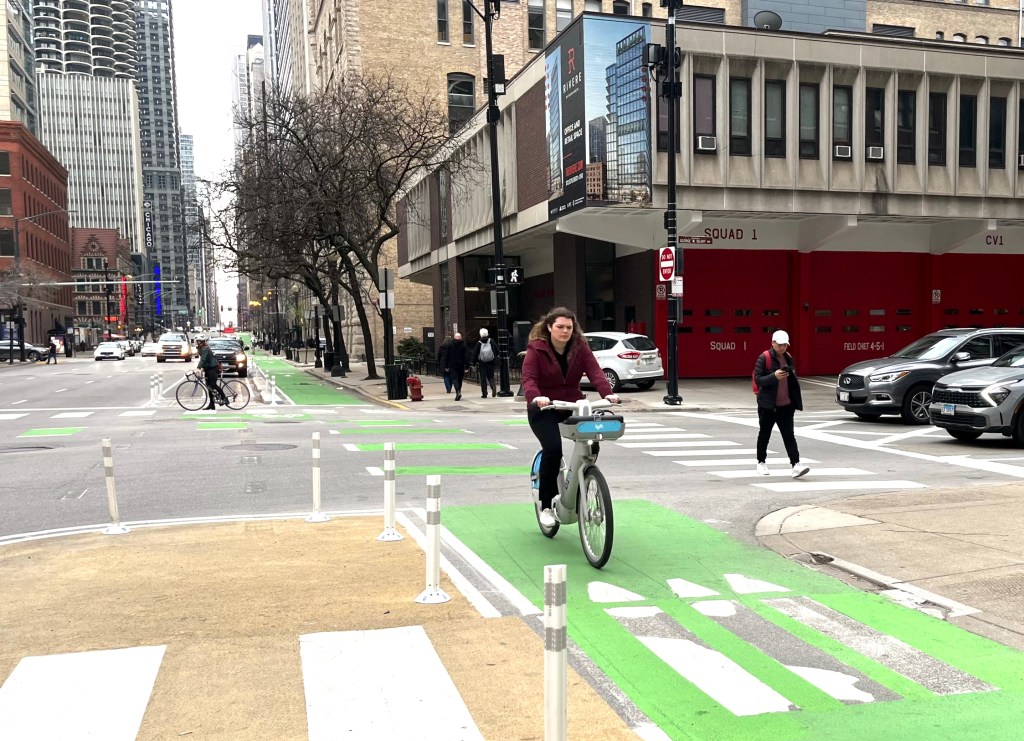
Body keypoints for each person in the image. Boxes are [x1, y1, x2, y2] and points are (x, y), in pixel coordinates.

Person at [522, 307, 619, 528]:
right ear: (549, 327)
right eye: (560, 327)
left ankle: (582, 480)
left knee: (593, 441)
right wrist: (536, 397)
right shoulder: (536, 349)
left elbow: (595, 372)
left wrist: (608, 394)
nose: (565, 331)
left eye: (569, 327)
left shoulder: (579, 348)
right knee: (553, 450)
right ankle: (546, 504)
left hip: (572, 405)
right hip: (544, 408)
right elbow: (529, 379)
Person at [753, 330, 810, 479]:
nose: (783, 347)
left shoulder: (789, 358)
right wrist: (774, 376)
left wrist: (794, 401)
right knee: (764, 434)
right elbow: (758, 380)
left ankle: (796, 464)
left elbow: (792, 381)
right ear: (772, 343)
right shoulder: (764, 357)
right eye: (780, 344)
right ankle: (761, 462)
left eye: (785, 344)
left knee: (789, 435)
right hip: (768, 405)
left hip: (786, 405)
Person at [195, 335, 221, 411]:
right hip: (208, 368)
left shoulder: (205, 348)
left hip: (213, 368)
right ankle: (211, 404)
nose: (196, 342)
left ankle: (224, 398)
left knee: (213, 384)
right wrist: (202, 369)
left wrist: (198, 368)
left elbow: (203, 359)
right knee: (209, 387)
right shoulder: (201, 348)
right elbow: (204, 360)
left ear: (201, 341)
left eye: (197, 341)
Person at [473, 328, 497, 398]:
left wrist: (473, 363)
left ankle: (484, 393)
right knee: (491, 376)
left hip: (482, 363)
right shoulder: (491, 341)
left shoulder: (479, 343)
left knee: (483, 379)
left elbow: (475, 354)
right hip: (491, 362)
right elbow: (496, 350)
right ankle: (493, 386)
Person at [444, 332, 469, 401]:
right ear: (460, 338)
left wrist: (446, 365)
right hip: (461, 365)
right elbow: (466, 356)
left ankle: (458, 391)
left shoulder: (450, 345)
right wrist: (467, 366)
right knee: (460, 379)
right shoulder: (464, 345)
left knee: (454, 378)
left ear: (454, 338)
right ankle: (459, 391)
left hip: (452, 364)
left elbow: (447, 356)